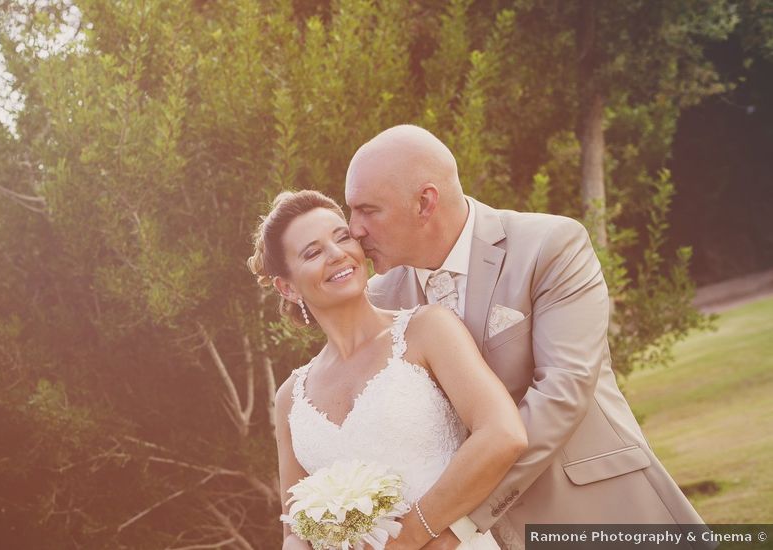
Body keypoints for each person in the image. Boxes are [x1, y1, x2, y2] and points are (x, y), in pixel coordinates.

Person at [345, 124, 706, 547]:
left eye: (368, 210)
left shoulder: (550, 245)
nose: (354, 229)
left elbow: (562, 391)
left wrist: (457, 520)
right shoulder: (379, 297)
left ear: (425, 202)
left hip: (592, 511)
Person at [248, 190, 528, 549]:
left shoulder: (427, 330)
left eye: (342, 237)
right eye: (313, 252)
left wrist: (410, 537)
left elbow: (503, 435)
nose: (336, 255)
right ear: (287, 287)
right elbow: (295, 530)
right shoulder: (290, 397)